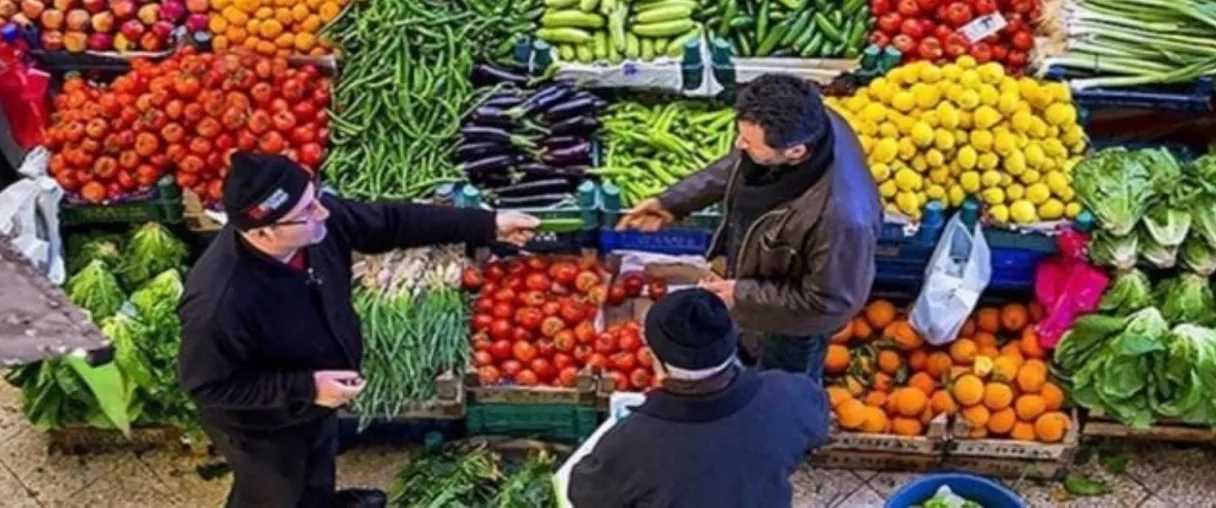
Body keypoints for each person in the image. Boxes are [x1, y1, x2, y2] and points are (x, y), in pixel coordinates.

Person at [177, 152, 539, 508]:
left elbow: (389, 222)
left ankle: (324, 500)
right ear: (264, 232)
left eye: (315, 197)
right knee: (277, 491)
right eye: (306, 212)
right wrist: (307, 387)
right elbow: (207, 386)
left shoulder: (314, 227)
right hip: (263, 426)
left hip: (316, 397)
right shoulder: (220, 302)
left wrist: (487, 224)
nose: (323, 212)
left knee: (317, 463)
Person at [620, 73, 881, 382]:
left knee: (782, 382)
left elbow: (830, 303)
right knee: (750, 349)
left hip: (793, 325)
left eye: (748, 141)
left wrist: (742, 294)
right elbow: (741, 163)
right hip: (763, 278)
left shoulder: (843, 220)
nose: (737, 144)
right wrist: (673, 202)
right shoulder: (808, 121)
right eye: (740, 134)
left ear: (796, 152)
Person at [567, 288, 829, 508]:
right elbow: (816, 429)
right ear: (731, 340)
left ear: (656, 359)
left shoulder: (631, 443)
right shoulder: (791, 395)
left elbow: (584, 494)